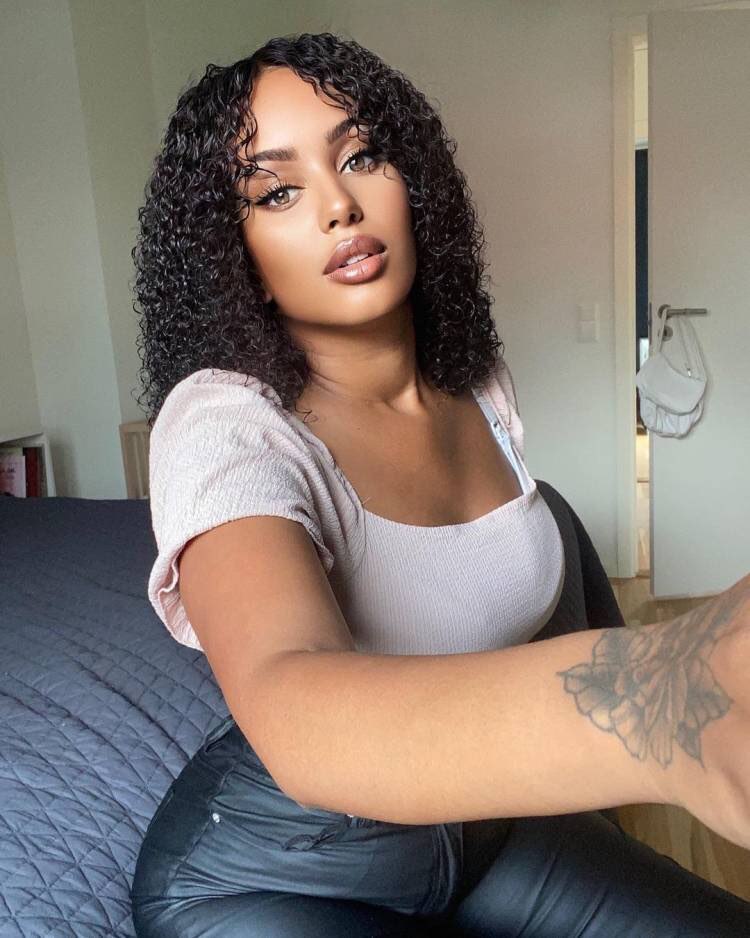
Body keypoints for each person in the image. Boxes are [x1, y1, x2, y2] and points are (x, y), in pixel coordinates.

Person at [129, 31, 750, 937]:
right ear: (236, 257)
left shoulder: (476, 382)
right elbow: (290, 697)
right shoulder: (226, 422)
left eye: (360, 156)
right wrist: (664, 685)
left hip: (488, 828)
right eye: (277, 192)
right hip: (280, 875)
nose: (339, 205)